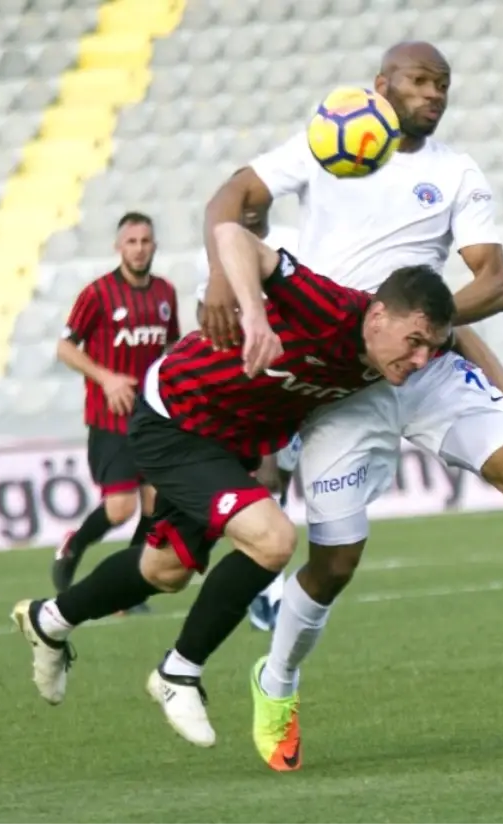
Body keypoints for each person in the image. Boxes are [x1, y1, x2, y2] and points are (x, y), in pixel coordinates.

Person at [201, 41, 503, 772]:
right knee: (335, 563)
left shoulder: (455, 174)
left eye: (443, 84)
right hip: (341, 383)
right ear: (380, 85)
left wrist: (423, 328)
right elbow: (231, 199)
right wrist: (223, 282)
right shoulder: (327, 143)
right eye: (420, 81)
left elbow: (496, 283)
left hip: (427, 366)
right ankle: (277, 679)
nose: (434, 93)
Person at [11, 223, 456, 749]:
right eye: (415, 341)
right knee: (274, 538)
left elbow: (462, 347)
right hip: (175, 415)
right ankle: (179, 673)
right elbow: (231, 233)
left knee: (165, 570)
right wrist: (257, 312)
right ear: (379, 316)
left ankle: (50, 618)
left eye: (432, 347)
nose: (422, 359)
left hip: (228, 440)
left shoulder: (391, 358)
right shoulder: (331, 309)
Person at [52, 213, 180, 613]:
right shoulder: (98, 294)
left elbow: (171, 348)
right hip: (110, 419)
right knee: (120, 509)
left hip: (153, 416)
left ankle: (130, 589)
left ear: (154, 246)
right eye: (132, 242)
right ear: (118, 247)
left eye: (145, 241)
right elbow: (65, 348)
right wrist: (106, 378)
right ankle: (75, 544)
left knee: (156, 502)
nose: (139, 248)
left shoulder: (165, 294)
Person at [195, 207, 299, 631]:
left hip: (298, 385)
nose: (252, 212)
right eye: (244, 208)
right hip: (254, 388)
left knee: (283, 488)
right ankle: (272, 596)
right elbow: (208, 324)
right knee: (268, 481)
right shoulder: (222, 265)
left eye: (259, 205)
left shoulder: (291, 247)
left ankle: (261, 578)